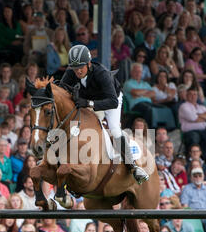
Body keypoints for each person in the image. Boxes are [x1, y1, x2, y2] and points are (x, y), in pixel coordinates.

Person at [59, 44, 149, 185]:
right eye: (74, 68)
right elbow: (61, 92)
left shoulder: (102, 73)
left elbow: (112, 101)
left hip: (110, 100)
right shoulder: (71, 73)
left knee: (114, 129)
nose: (77, 71)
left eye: (80, 67)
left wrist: (89, 103)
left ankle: (133, 167)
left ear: (88, 64)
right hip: (88, 101)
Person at [123, 62, 155, 128]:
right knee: (149, 109)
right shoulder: (128, 83)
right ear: (131, 72)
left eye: (139, 72)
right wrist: (146, 92)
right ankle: (148, 132)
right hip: (136, 104)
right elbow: (135, 92)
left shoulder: (145, 83)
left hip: (148, 103)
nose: (138, 73)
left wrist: (140, 95)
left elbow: (153, 93)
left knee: (163, 108)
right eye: (136, 71)